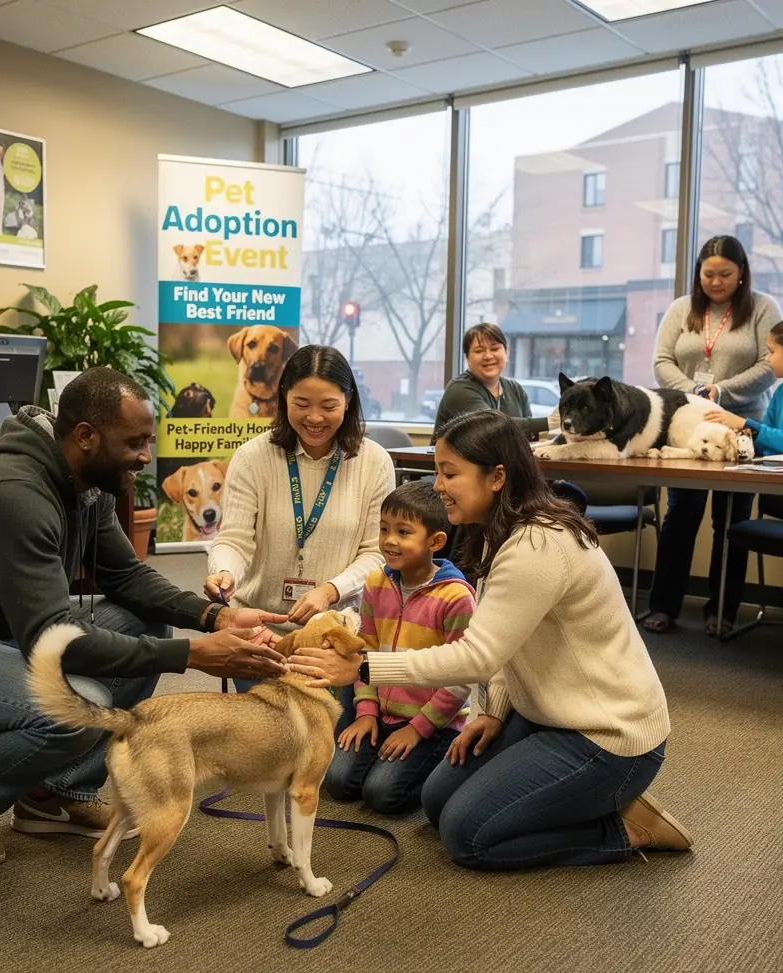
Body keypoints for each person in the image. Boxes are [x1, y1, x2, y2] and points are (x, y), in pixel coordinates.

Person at [0, 367, 289, 870]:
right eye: (135, 442)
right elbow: (53, 639)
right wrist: (192, 656)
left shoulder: (86, 482)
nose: (146, 457)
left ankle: (50, 792)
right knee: (78, 705)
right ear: (85, 436)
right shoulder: (13, 494)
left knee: (146, 622)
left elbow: (127, 577)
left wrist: (214, 617)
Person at [289, 409, 692, 870]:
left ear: (497, 476)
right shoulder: (498, 533)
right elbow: (503, 643)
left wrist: (363, 668)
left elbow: (477, 656)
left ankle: (626, 828)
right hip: (546, 711)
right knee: (438, 803)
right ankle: (581, 798)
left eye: (449, 473)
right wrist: (494, 712)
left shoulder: (538, 546)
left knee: (469, 837)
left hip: (606, 734)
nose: (438, 485)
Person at [205, 344, 394, 697]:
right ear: (283, 398)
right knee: (270, 734)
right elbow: (234, 539)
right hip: (261, 628)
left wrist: (330, 590)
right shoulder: (251, 458)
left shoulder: (374, 462)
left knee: (330, 741)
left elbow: (376, 553)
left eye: (328, 406)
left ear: (349, 401)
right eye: (302, 405)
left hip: (334, 632)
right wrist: (226, 571)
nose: (315, 418)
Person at [647, 235, 782, 636]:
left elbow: (767, 363)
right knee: (680, 517)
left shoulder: (761, 308)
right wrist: (691, 391)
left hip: (741, 431)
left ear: (741, 273)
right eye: (709, 274)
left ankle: (721, 609)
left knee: (730, 521)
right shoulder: (681, 308)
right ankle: (663, 606)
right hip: (689, 425)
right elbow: (661, 359)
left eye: (725, 273)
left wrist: (722, 393)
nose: (716, 281)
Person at [322, 480, 475, 815]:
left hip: (431, 722)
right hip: (380, 709)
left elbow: (461, 677)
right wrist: (365, 713)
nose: (389, 540)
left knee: (382, 795)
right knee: (337, 782)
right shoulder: (376, 582)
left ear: (435, 541)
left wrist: (416, 730)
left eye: (404, 532)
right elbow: (365, 651)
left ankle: (444, 769)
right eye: (384, 529)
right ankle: (385, 755)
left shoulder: (456, 598)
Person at [430, 324, 550, 444]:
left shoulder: (515, 389)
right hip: (456, 462)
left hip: (505, 462)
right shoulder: (459, 389)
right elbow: (491, 426)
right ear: (468, 359)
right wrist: (550, 422)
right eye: (479, 351)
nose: (488, 356)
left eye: (495, 349)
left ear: (507, 353)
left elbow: (528, 436)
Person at [705, 319, 783, 457]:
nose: (767, 358)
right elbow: (764, 445)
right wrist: (738, 434)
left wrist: (744, 424)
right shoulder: (780, 392)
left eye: (772, 351)